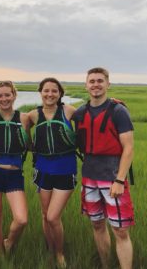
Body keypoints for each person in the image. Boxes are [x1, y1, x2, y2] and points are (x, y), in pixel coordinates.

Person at [73, 67, 134, 269]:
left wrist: (119, 180)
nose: (96, 84)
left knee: (120, 230)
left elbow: (129, 148)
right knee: (97, 224)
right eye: (92, 81)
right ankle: (106, 265)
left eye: (100, 81)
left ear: (108, 84)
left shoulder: (118, 111)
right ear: (86, 85)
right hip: (89, 178)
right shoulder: (81, 112)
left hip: (113, 178)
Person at [28, 77, 77, 269]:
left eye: (54, 91)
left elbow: (92, 113)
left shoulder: (69, 111)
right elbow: (17, 128)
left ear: (60, 93)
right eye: (46, 90)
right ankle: (49, 249)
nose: (50, 94)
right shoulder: (32, 115)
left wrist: (114, 105)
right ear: (40, 92)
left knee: (53, 217)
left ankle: (59, 253)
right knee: (44, 214)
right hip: (42, 169)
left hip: (65, 169)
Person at [0, 80, 30, 254]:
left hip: (15, 174)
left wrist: (113, 105)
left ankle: (9, 242)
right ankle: (0, 254)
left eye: (7, 95)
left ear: (14, 95)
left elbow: (50, 113)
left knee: (22, 219)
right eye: (0, 95)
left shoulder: (25, 118)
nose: (4, 99)